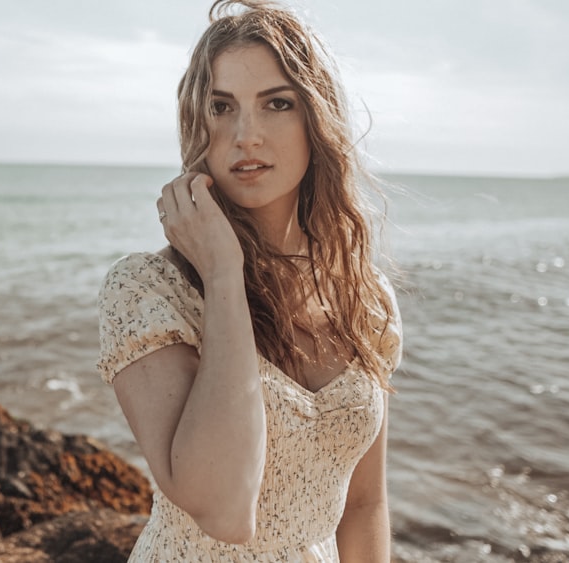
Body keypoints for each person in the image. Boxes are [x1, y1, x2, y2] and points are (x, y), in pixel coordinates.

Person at [96, 0, 403, 560]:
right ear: (198, 122)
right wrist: (222, 274)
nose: (246, 135)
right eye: (221, 106)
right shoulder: (146, 291)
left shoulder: (366, 297)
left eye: (276, 104)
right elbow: (224, 507)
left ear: (317, 120)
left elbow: (363, 506)